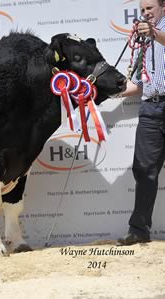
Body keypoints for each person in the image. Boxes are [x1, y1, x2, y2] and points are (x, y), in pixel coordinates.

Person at [117, 0, 165, 246]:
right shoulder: (143, 38)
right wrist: (106, 92)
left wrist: (155, 34)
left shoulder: (155, 33)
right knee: (144, 169)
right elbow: (138, 83)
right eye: (143, 10)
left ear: (163, 6)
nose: (146, 13)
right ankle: (139, 230)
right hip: (150, 108)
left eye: (150, 8)